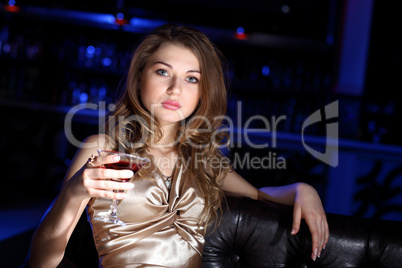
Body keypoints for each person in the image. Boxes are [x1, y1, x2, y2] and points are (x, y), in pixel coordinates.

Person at [29, 23, 329, 267]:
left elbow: (262, 196)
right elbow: (42, 261)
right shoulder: (103, 148)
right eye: (162, 72)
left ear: (202, 93)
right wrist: (74, 193)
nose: (175, 89)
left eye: (191, 79)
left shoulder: (203, 162)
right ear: (138, 79)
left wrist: (304, 190)